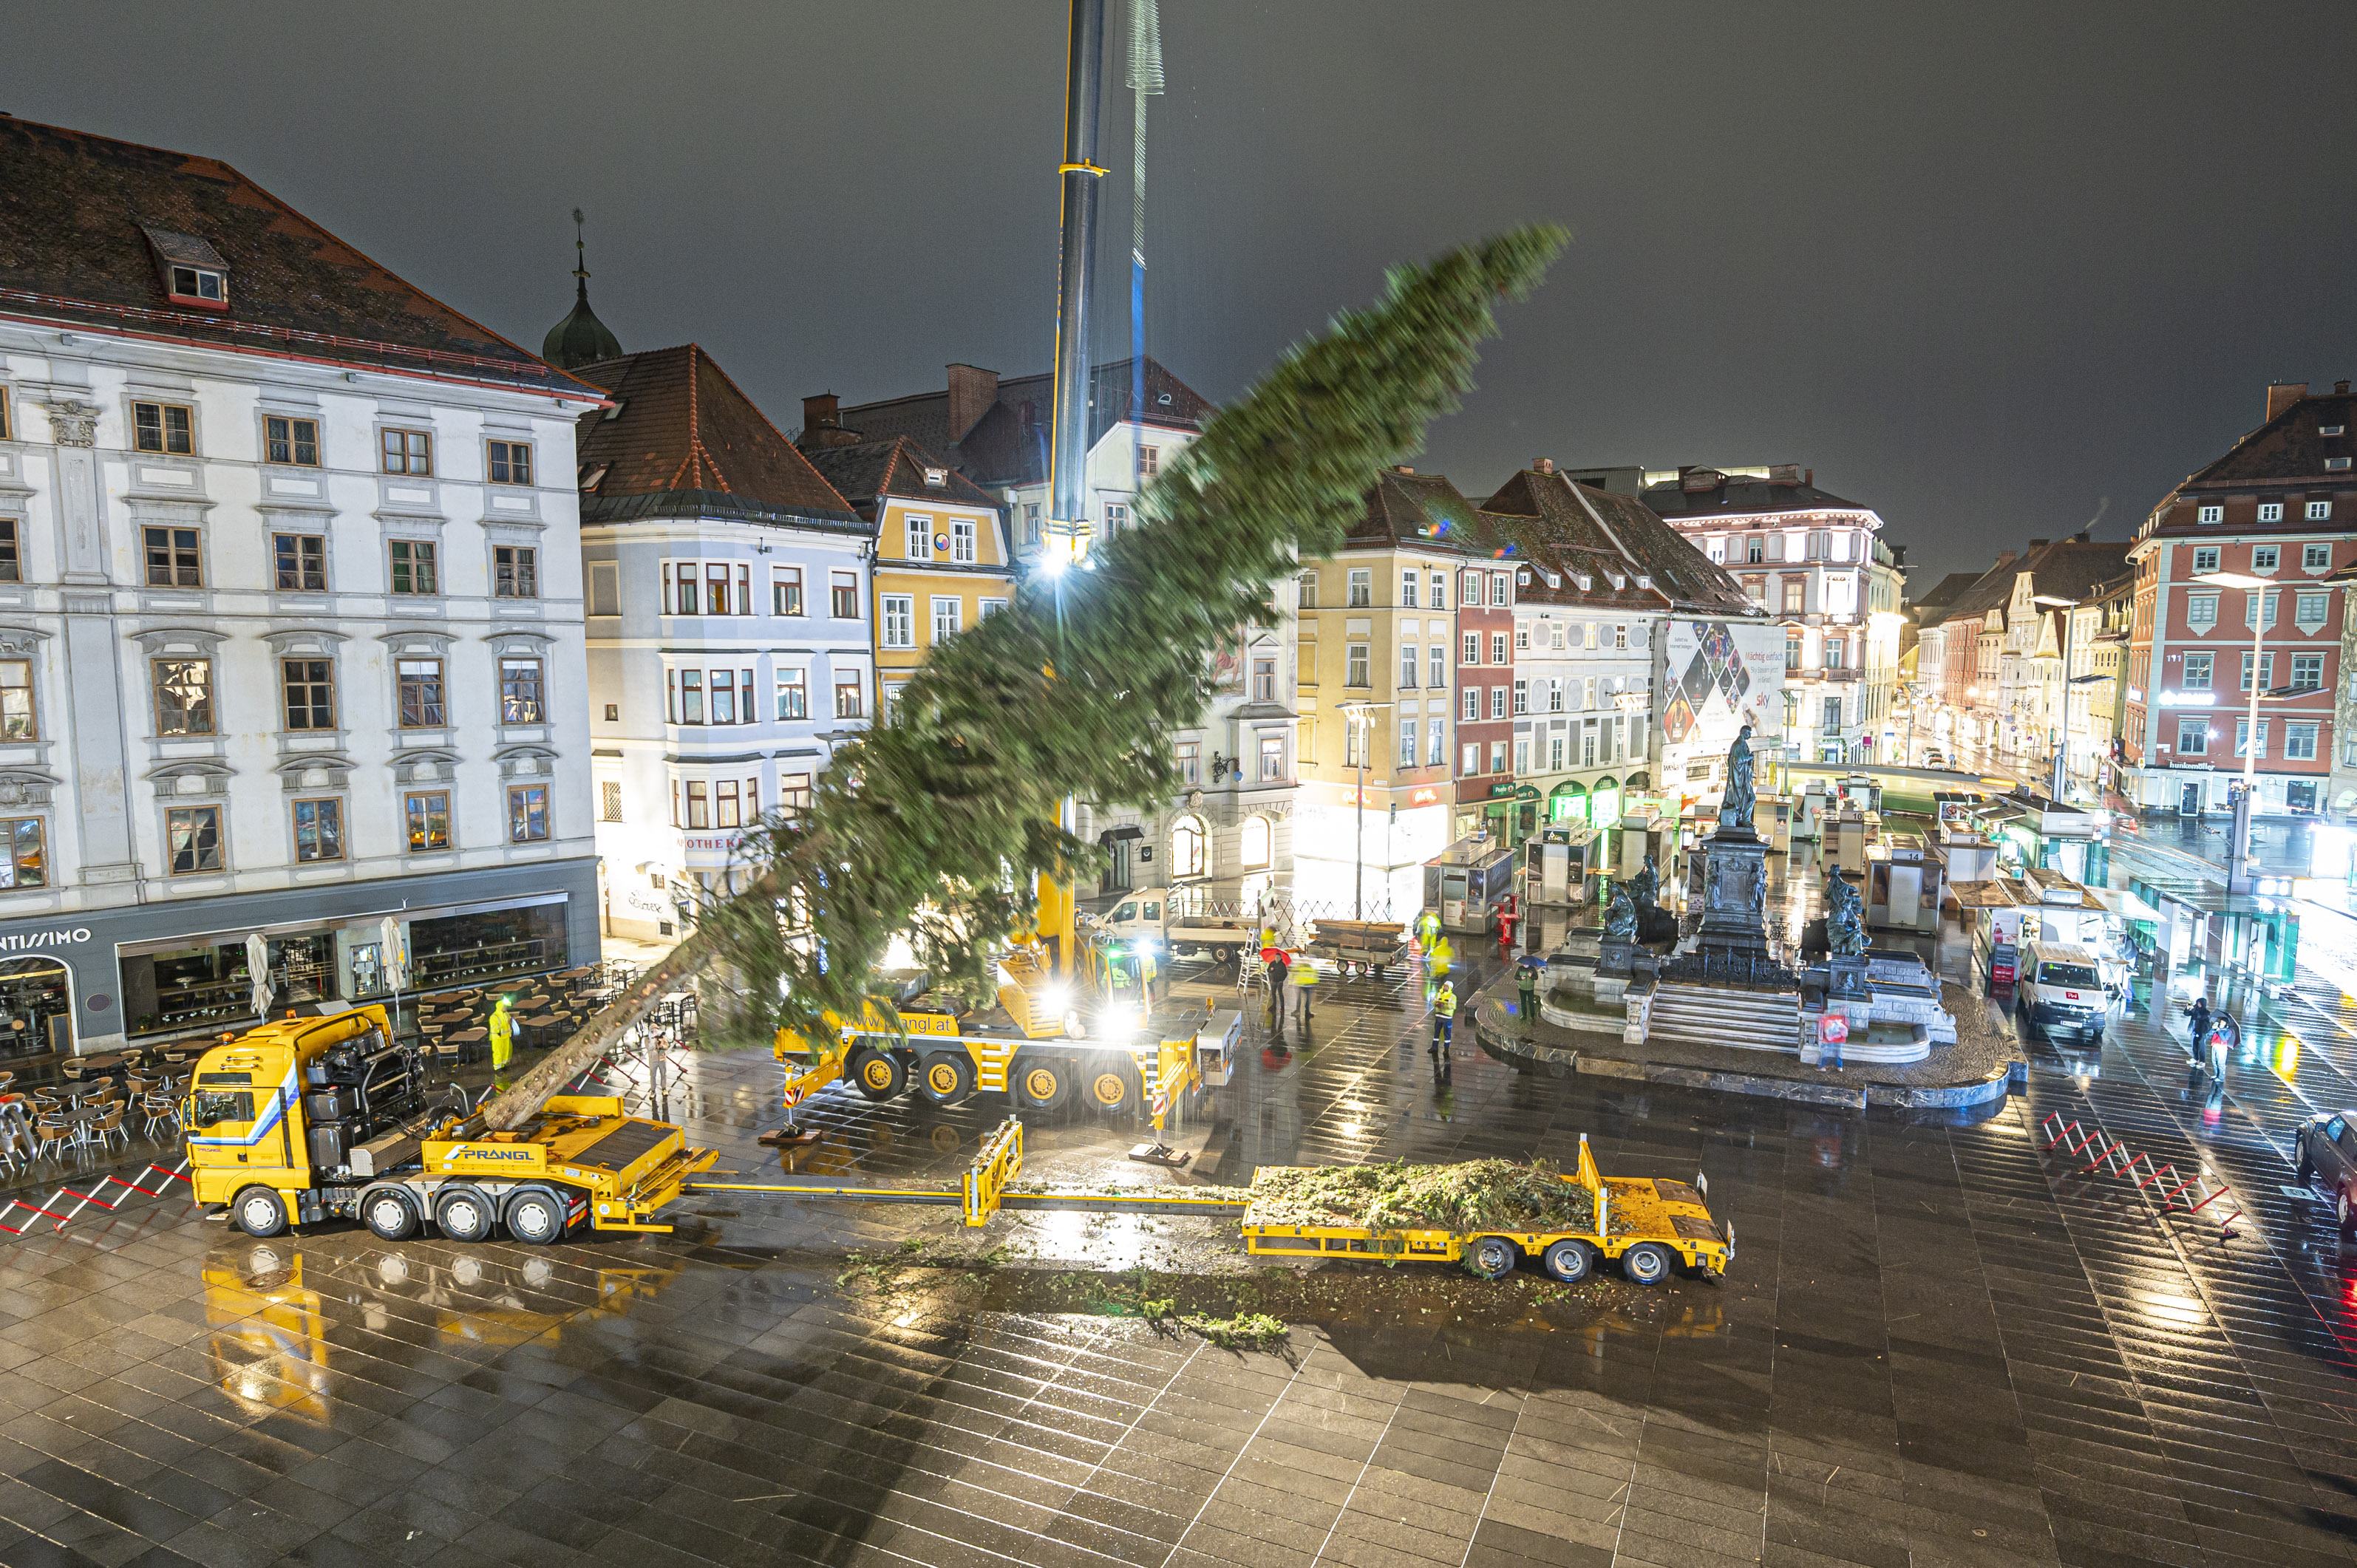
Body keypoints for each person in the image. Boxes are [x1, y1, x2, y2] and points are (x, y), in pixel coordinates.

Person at [489, 996, 515, 1080]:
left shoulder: (506, 1014)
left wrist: (510, 1022)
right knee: (498, 1053)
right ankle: (497, 1069)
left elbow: (509, 1021)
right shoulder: (494, 1017)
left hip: (506, 1037)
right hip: (498, 1039)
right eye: (505, 1006)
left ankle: (503, 1066)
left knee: (505, 1052)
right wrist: (506, 1024)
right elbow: (495, 1028)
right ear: (501, 1007)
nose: (506, 1008)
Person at [1431, 978, 1458, 1052]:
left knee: (1447, 1034)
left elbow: (1453, 1006)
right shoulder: (1439, 994)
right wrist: (1436, 1004)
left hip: (1447, 1018)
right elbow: (1433, 1001)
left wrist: (1443, 1005)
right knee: (1436, 1032)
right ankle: (1434, 1047)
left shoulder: (1453, 997)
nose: (1445, 987)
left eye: (1447, 987)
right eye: (1445, 986)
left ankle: (1446, 1049)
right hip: (1439, 1016)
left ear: (1450, 988)